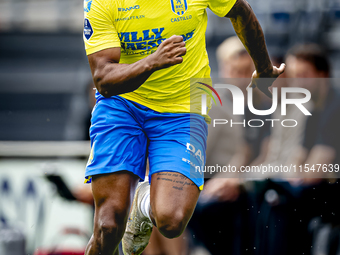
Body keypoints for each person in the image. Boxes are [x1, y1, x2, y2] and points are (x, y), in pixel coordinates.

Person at [82, 0, 285, 254]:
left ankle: (143, 204)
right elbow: (103, 78)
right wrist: (152, 61)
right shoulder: (102, 2)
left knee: (172, 221)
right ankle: (138, 204)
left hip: (183, 109)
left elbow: (241, 10)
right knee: (108, 226)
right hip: (122, 106)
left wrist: (264, 68)